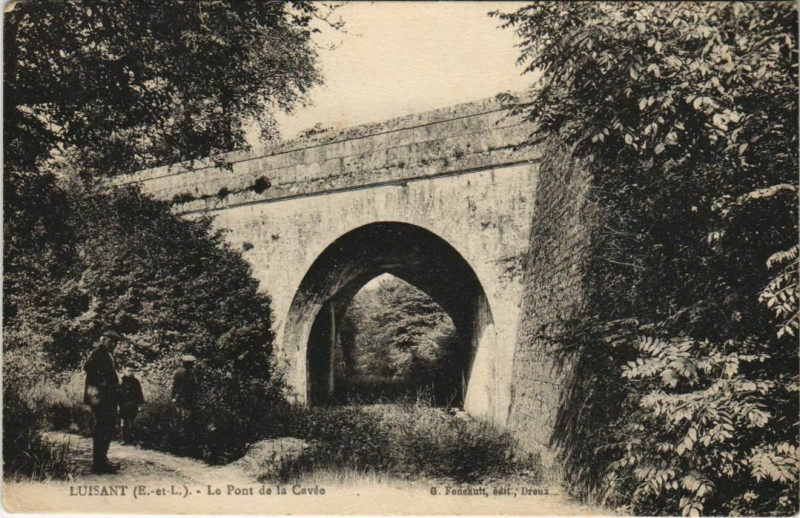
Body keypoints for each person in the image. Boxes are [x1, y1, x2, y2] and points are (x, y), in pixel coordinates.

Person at [84, 330, 122, 473]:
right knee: (103, 429)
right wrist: (104, 384)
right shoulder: (98, 353)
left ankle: (102, 460)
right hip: (102, 398)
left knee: (107, 429)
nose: (113, 345)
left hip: (107, 397)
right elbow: (88, 367)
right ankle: (99, 464)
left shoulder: (107, 354)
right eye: (110, 341)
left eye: (115, 343)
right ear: (103, 340)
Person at [118, 365, 145, 445]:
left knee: (131, 421)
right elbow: (117, 394)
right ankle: (123, 439)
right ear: (124, 371)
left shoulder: (136, 381)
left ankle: (130, 439)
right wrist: (117, 405)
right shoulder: (121, 380)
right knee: (123, 421)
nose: (130, 372)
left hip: (133, 404)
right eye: (128, 370)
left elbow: (139, 393)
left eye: (132, 371)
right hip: (123, 404)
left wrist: (140, 404)